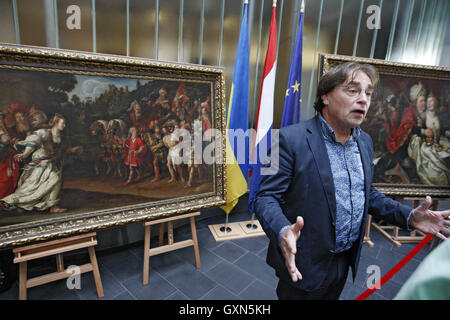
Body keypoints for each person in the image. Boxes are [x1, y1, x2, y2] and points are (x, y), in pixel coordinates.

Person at [253, 61, 450, 300]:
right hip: (302, 261)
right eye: (353, 90)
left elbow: (368, 194)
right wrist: (283, 230)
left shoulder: (364, 142)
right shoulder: (283, 140)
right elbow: (266, 197)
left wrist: (408, 216)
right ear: (325, 96)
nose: (364, 99)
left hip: (343, 263)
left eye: (368, 93)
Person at [1, 114, 82, 213]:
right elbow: (33, 142)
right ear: (55, 123)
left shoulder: (61, 136)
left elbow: (61, 150)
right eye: (63, 123)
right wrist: (25, 154)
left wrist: (73, 150)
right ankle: (18, 203)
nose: (64, 125)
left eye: (65, 123)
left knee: (55, 180)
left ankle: (53, 206)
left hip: (52, 162)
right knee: (32, 186)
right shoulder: (44, 133)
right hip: (41, 163)